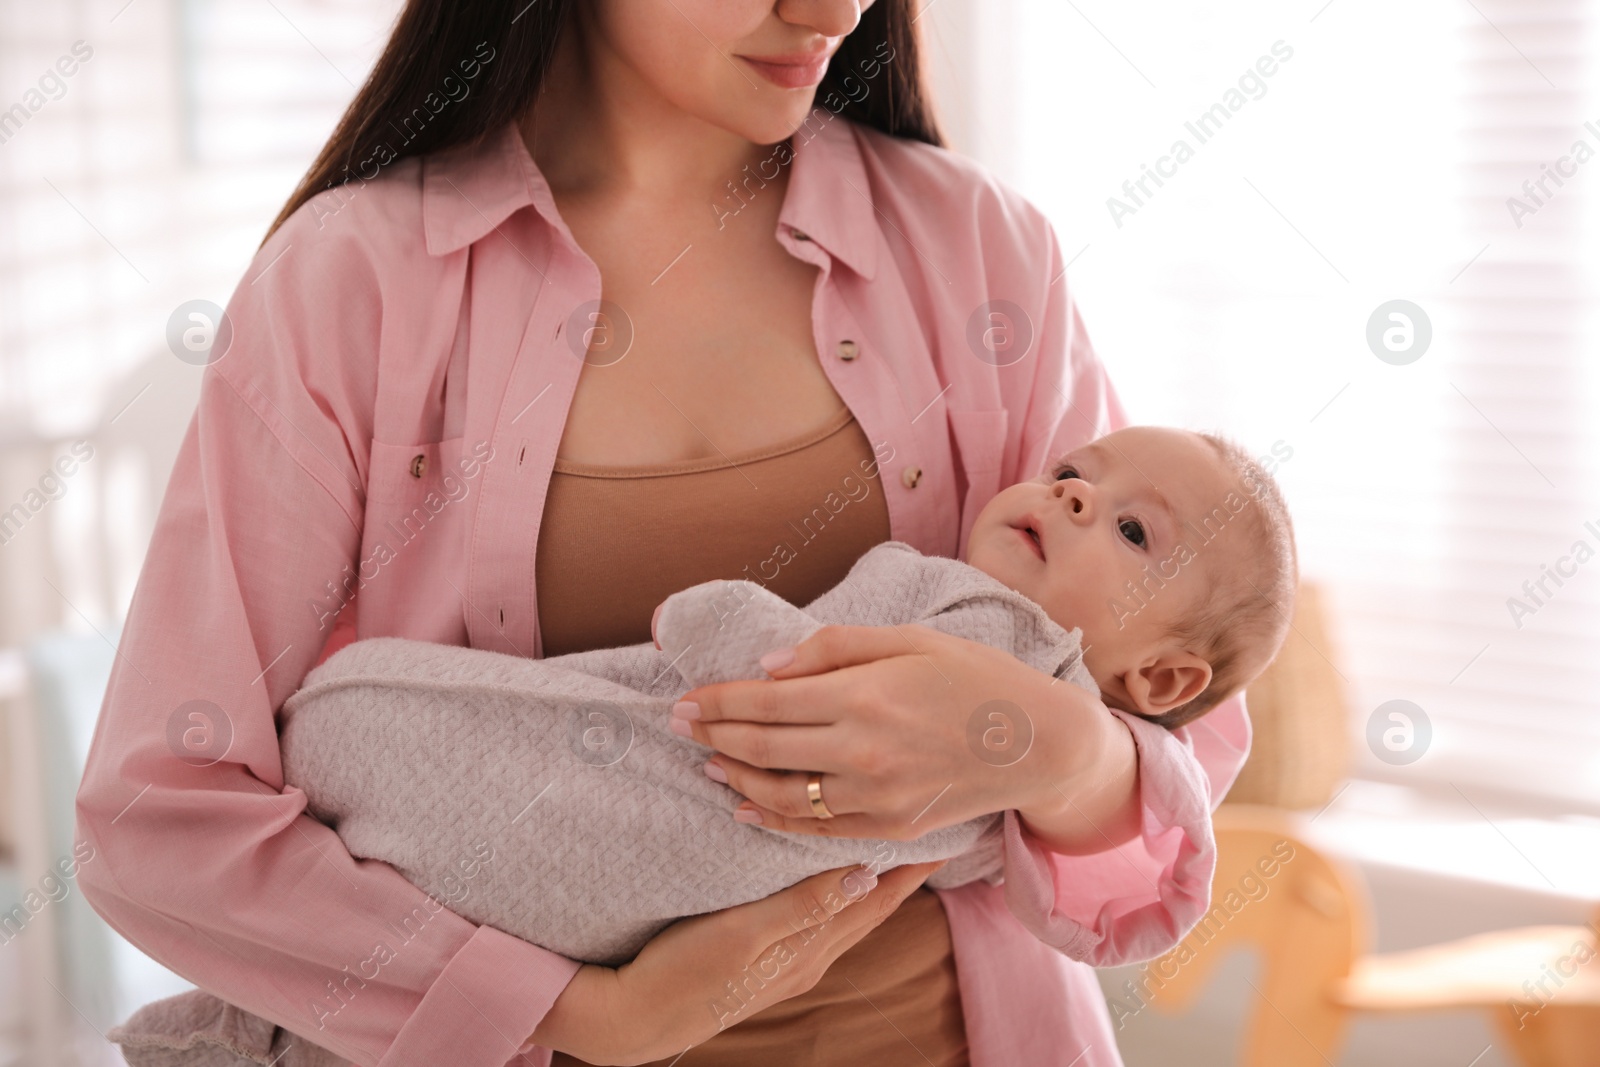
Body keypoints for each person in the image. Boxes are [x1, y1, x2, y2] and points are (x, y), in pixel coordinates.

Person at [75, 2, 1255, 1065]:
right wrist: (568, 1010)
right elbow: (162, 813)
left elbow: (1174, 742)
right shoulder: (353, 284)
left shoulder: (980, 252)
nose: (832, 10)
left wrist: (1061, 751)